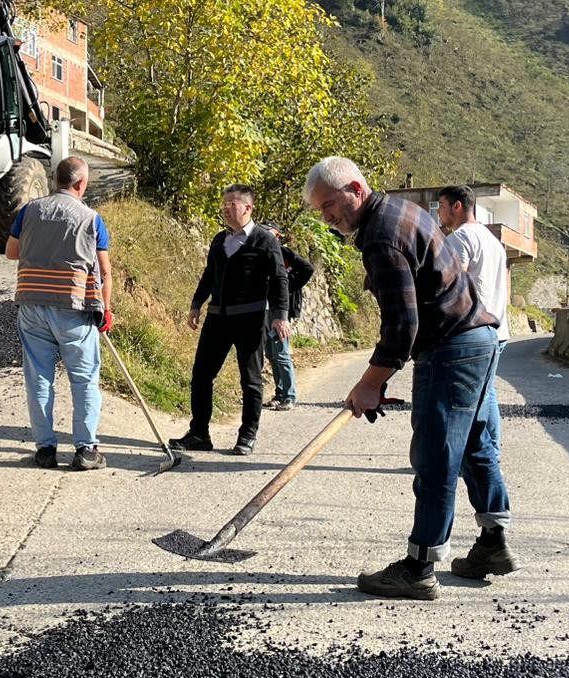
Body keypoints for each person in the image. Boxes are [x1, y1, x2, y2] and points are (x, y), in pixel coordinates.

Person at [303, 157, 514, 600]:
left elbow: (402, 327)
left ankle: (419, 567)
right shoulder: (403, 212)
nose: (327, 218)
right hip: (480, 339)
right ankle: (493, 544)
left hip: (452, 347)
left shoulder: (382, 236)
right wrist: (377, 381)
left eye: (329, 206)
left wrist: (369, 383)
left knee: (437, 454)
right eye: (320, 211)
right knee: (474, 442)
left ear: (355, 189)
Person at [6, 155, 113, 472]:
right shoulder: (91, 219)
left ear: (55, 181)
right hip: (74, 309)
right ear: (81, 183)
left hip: (32, 306)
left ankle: (45, 450)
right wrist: (106, 309)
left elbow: (12, 252)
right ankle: (86, 449)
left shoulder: (29, 211)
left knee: (39, 378)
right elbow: (105, 271)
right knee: (84, 379)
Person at [169, 185, 290, 457]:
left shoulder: (265, 240)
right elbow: (209, 273)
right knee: (201, 375)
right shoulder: (218, 240)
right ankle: (199, 433)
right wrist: (196, 304)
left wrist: (280, 316)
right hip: (217, 319)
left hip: (250, 320)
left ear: (248, 208)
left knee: (250, 380)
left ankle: (247, 435)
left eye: (231, 204)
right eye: (224, 204)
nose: (225, 208)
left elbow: (280, 278)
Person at [435, 185, 510, 461]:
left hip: (474, 331)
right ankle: (490, 454)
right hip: (498, 329)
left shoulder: (461, 237)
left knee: (479, 397)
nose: (439, 213)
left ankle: (486, 455)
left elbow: (454, 285)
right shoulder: (492, 241)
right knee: (487, 393)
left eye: (441, 205)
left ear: (457, 206)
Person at [264, 225, 315, 411]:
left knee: (281, 353)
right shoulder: (264, 252)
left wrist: (288, 285)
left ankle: (289, 396)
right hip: (267, 309)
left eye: (269, 233)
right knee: (271, 353)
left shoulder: (283, 252)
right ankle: (279, 394)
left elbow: (308, 269)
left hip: (281, 312)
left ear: (277, 236)